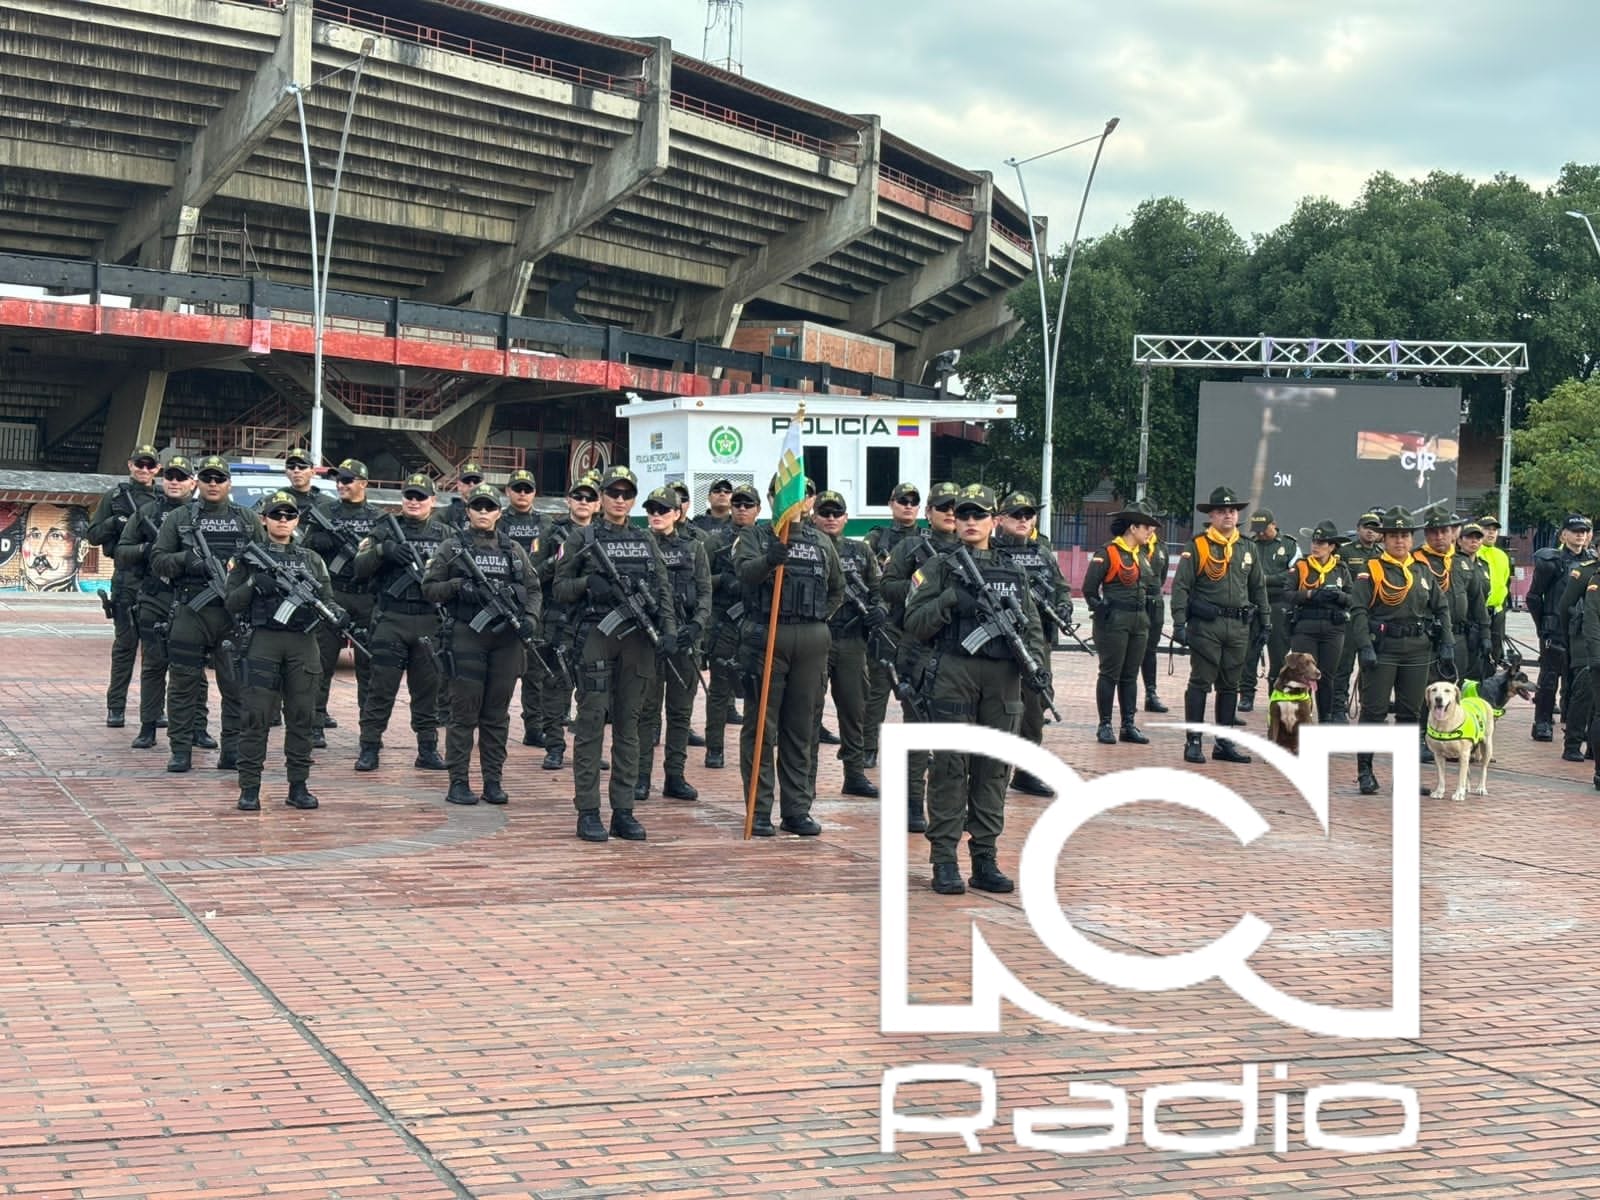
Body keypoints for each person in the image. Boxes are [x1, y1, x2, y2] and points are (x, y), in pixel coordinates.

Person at [903, 483, 1046, 896]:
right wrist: (950, 600)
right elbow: (914, 621)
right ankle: (944, 860)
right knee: (950, 767)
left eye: (978, 515)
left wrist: (1040, 671)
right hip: (954, 672)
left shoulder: (1013, 570)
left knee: (993, 771)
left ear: (993, 521)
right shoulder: (939, 568)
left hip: (1002, 680)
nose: (969, 521)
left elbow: (1032, 628)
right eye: (962, 514)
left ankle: (985, 857)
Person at [552, 465, 675, 843]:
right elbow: (558, 588)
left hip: (637, 640)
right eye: (613, 493)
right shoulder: (581, 538)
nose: (619, 500)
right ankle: (588, 811)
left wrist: (669, 630)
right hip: (596, 635)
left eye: (626, 494)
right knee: (590, 725)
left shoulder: (645, 539)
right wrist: (590, 583)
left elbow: (663, 589)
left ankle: (624, 810)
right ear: (601, 495)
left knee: (630, 726)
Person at [733, 472, 844, 837]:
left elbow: (836, 589)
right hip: (767, 633)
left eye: (799, 496)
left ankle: (796, 809)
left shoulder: (821, 541)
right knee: (761, 728)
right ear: (771, 500)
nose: (793, 503)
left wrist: (814, 620)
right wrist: (768, 561)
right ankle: (759, 809)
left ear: (808, 501)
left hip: (810, 637)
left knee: (802, 727)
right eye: (782, 496)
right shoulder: (754, 535)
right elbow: (744, 574)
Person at [422, 484, 541, 805]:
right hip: (466, 637)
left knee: (496, 715)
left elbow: (533, 588)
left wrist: (530, 618)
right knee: (464, 713)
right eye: (478, 507)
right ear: (468, 511)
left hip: (505, 640)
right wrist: (458, 586)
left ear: (499, 513)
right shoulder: (451, 547)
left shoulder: (513, 550)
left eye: (490, 507)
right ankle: (458, 782)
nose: (484, 513)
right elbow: (429, 588)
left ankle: (493, 781)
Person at [149, 455, 264, 773]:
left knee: (236, 686)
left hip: (233, 616)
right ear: (197, 481)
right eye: (208, 478)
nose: (213, 484)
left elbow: (266, 562)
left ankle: (232, 750)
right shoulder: (180, 518)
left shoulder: (247, 519)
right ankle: (181, 750)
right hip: (191, 611)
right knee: (183, 684)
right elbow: (158, 560)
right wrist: (188, 561)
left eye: (219, 479)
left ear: (229, 483)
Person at [226, 490, 334, 812]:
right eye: (276, 515)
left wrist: (336, 612)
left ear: (297, 520)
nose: (283, 520)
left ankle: (298, 786)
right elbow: (231, 603)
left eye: (289, 515)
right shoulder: (248, 557)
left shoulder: (311, 559)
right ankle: (249, 788)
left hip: (303, 642)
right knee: (255, 716)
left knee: (302, 715)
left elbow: (327, 598)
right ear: (264, 519)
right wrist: (253, 584)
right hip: (263, 640)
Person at [1348, 506, 1452, 795]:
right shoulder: (1371, 570)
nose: (1399, 541)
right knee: (1374, 711)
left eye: (1405, 535)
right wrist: (1364, 647)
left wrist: (1447, 642)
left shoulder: (1421, 570)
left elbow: (1440, 607)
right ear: (1383, 539)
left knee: (1411, 713)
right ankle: (1365, 771)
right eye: (1393, 536)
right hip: (1384, 649)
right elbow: (1357, 611)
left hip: (1418, 649)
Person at [352, 473, 452, 773]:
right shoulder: (384, 530)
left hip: (429, 619)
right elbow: (359, 568)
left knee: (427, 689)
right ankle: (369, 747)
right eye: (409, 495)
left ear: (432, 501)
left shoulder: (445, 534)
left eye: (420, 496)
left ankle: (427, 748)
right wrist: (385, 552)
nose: (413, 501)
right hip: (391, 618)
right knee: (380, 688)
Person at [881, 481, 962, 831]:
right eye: (942, 507)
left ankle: (952, 804)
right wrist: (924, 585)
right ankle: (913, 802)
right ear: (929, 513)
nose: (950, 513)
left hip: (958, 650)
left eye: (955, 508)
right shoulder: (913, 547)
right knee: (917, 728)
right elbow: (887, 586)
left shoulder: (974, 550)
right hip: (916, 644)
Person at [1170, 485, 1269, 764]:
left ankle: (1224, 743)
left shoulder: (1246, 547)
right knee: (1201, 682)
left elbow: (1258, 587)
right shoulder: (1198, 546)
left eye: (1232, 511)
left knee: (1230, 685)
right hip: (1207, 625)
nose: (1228, 515)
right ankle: (1194, 741)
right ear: (1211, 516)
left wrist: (1266, 621)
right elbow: (1181, 587)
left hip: (1238, 626)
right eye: (1222, 511)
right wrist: (1179, 622)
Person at [114, 455, 200, 749]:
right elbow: (122, 553)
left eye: (181, 476)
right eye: (170, 476)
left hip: (193, 599)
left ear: (192, 482)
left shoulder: (202, 515)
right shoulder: (147, 513)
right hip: (155, 596)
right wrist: (148, 548)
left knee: (193, 666)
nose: (174, 481)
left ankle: (197, 727)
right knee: (153, 664)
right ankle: (148, 725)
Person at [634, 485, 710, 802]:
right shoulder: (638, 545)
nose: (656, 515)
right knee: (645, 713)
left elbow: (706, 594)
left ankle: (674, 777)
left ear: (678, 514)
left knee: (679, 713)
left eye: (663, 510)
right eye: (651, 510)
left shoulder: (694, 549)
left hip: (684, 642)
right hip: (648, 640)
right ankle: (640, 778)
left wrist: (695, 627)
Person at [811, 489, 887, 798]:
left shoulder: (861, 551)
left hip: (852, 639)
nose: (830, 518)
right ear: (813, 516)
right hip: (816, 638)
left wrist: (880, 609)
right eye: (824, 513)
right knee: (809, 711)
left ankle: (854, 773)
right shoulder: (806, 547)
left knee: (855, 710)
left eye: (836, 513)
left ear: (845, 517)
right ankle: (806, 779)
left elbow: (877, 587)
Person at [994, 490, 1071, 793]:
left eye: (1028, 515)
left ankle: (1025, 771)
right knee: (1000, 705)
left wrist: (1062, 604)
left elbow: (1061, 586)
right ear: (1000, 519)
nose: (1023, 520)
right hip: (1000, 639)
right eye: (1016, 515)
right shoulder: (991, 550)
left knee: (1036, 703)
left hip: (1037, 640)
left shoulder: (1042, 552)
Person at [301, 458, 379, 747]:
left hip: (367, 596)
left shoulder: (378, 517)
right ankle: (315, 723)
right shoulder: (324, 512)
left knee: (369, 667)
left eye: (348, 480)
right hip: (334, 593)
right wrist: (317, 542)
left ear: (363, 483)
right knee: (321, 662)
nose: (342, 485)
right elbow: (304, 553)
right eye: (339, 480)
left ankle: (369, 730)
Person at [85, 442, 160, 727]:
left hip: (157, 581)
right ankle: (116, 707)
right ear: (130, 465)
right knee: (126, 646)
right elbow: (93, 535)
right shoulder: (115, 497)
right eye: (139, 464)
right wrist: (115, 523)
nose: (144, 469)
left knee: (157, 650)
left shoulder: (164, 498)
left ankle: (155, 710)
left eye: (149, 465)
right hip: (126, 579)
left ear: (157, 469)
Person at [533, 472, 601, 769]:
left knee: (593, 689)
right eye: (578, 497)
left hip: (594, 621)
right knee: (555, 685)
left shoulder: (603, 535)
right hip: (558, 618)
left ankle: (588, 750)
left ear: (598, 504)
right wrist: (559, 559)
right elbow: (533, 574)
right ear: (568, 501)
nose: (584, 502)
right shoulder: (551, 532)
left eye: (590, 498)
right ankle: (554, 747)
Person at [1080, 500, 1161, 745]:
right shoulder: (1108, 552)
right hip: (1114, 621)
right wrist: (1101, 610)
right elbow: (1089, 589)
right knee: (1110, 673)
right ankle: (1105, 724)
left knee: (1130, 675)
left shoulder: (1144, 555)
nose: (1151, 531)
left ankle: (1128, 724)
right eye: (1147, 527)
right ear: (1133, 528)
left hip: (1139, 621)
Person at [862, 481, 924, 767]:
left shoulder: (926, 539)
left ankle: (922, 749)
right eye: (903, 500)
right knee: (877, 690)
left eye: (913, 501)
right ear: (891, 504)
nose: (908, 506)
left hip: (917, 624)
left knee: (921, 688)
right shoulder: (877, 538)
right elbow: (865, 577)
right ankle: (868, 747)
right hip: (887, 621)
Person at [703, 483, 759, 769]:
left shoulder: (765, 538)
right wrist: (722, 580)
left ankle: (755, 749)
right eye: (737, 504)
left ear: (758, 509)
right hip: (724, 622)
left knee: (756, 689)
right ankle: (714, 747)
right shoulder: (716, 540)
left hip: (755, 623)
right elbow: (699, 581)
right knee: (720, 688)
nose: (741, 508)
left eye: (748, 504)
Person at [1528, 514, 1595, 742]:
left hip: (1580, 630)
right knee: (1549, 679)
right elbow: (1534, 597)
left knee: (1578, 680)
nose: (1580, 535)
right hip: (1555, 628)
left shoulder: (1592, 562)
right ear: (1563, 534)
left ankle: (1573, 724)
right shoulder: (1551, 561)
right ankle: (1543, 722)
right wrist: (1543, 626)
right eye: (1575, 531)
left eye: (1584, 531)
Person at [1287, 520, 1356, 721]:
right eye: (1314, 541)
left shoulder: (1341, 569)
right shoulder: (1301, 567)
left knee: (1326, 676)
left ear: (1332, 546)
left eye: (1322, 542)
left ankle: (1325, 719)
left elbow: (1353, 599)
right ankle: (1301, 720)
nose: (1316, 546)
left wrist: (1338, 596)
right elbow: (1288, 594)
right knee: (1302, 674)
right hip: (1305, 627)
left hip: (1333, 629)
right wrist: (1310, 594)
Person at [498, 468, 547, 747]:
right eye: (517, 488)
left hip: (535, 603)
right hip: (503, 602)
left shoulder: (548, 524)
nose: (522, 493)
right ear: (508, 492)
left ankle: (534, 727)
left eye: (527, 489)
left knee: (535, 672)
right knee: (501, 671)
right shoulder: (497, 519)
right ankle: (495, 722)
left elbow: (556, 557)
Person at [1238, 509, 1299, 713]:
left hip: (1278, 604)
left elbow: (1292, 575)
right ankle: (1246, 695)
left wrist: (1264, 580)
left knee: (1279, 653)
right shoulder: (1250, 545)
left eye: (1264, 529)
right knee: (1249, 653)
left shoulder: (1289, 545)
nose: (1261, 534)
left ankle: (1277, 694)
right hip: (1253, 605)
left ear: (1274, 524)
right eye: (1257, 530)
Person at [1328, 510, 1385, 723]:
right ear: (1358, 528)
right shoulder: (1345, 552)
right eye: (1366, 527)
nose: (1370, 532)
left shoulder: (1382, 554)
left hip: (1374, 618)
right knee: (1344, 665)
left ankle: (1369, 708)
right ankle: (1337, 709)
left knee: (1371, 666)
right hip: (1351, 617)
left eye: (1374, 528)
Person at [1452, 520, 1494, 682]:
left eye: (1477, 538)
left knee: (1480, 672)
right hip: (1460, 626)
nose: (1474, 541)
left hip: (1479, 623)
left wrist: (1485, 633)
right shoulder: (1453, 562)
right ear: (1460, 540)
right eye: (1469, 537)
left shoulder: (1483, 565)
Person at [1140, 524, 1171, 713]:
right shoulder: (1132, 545)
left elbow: (1163, 576)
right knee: (1131, 653)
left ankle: (1151, 694)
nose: (1150, 529)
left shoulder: (1161, 547)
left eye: (1152, 524)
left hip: (1155, 604)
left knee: (1150, 651)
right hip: (1136, 602)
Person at [1476, 514, 1513, 666]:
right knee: (1477, 654)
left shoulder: (1502, 556)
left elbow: (1505, 582)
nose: (1491, 533)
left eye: (1494, 529)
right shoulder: (1474, 553)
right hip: (1477, 613)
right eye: (1487, 529)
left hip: (1497, 612)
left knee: (1495, 653)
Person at [273, 447, 332, 517]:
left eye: (302, 467)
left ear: (313, 472)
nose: (296, 470)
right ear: (286, 472)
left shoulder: (327, 503)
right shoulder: (273, 501)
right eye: (291, 467)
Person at [440, 460, 484, 529]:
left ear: (484, 483)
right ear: (458, 485)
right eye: (467, 480)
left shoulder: (494, 514)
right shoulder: (445, 514)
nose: (471, 484)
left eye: (476, 480)